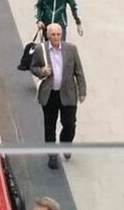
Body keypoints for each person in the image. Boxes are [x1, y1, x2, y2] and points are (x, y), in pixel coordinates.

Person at [32, 21, 85, 167]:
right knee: (50, 126)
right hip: (49, 95)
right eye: (53, 35)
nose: (56, 37)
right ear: (48, 36)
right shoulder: (40, 50)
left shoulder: (71, 49)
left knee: (69, 124)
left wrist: (82, 91)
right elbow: (33, 67)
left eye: (58, 34)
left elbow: (78, 71)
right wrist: (42, 72)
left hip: (67, 93)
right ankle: (52, 155)